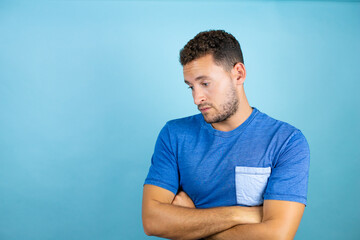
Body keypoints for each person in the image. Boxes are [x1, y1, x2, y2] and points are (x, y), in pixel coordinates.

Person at [142, 30, 310, 240]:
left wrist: (190, 220)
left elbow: (276, 235)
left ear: (238, 74)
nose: (197, 98)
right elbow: (153, 221)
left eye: (205, 83)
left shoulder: (287, 141)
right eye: (190, 87)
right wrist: (243, 214)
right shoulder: (174, 135)